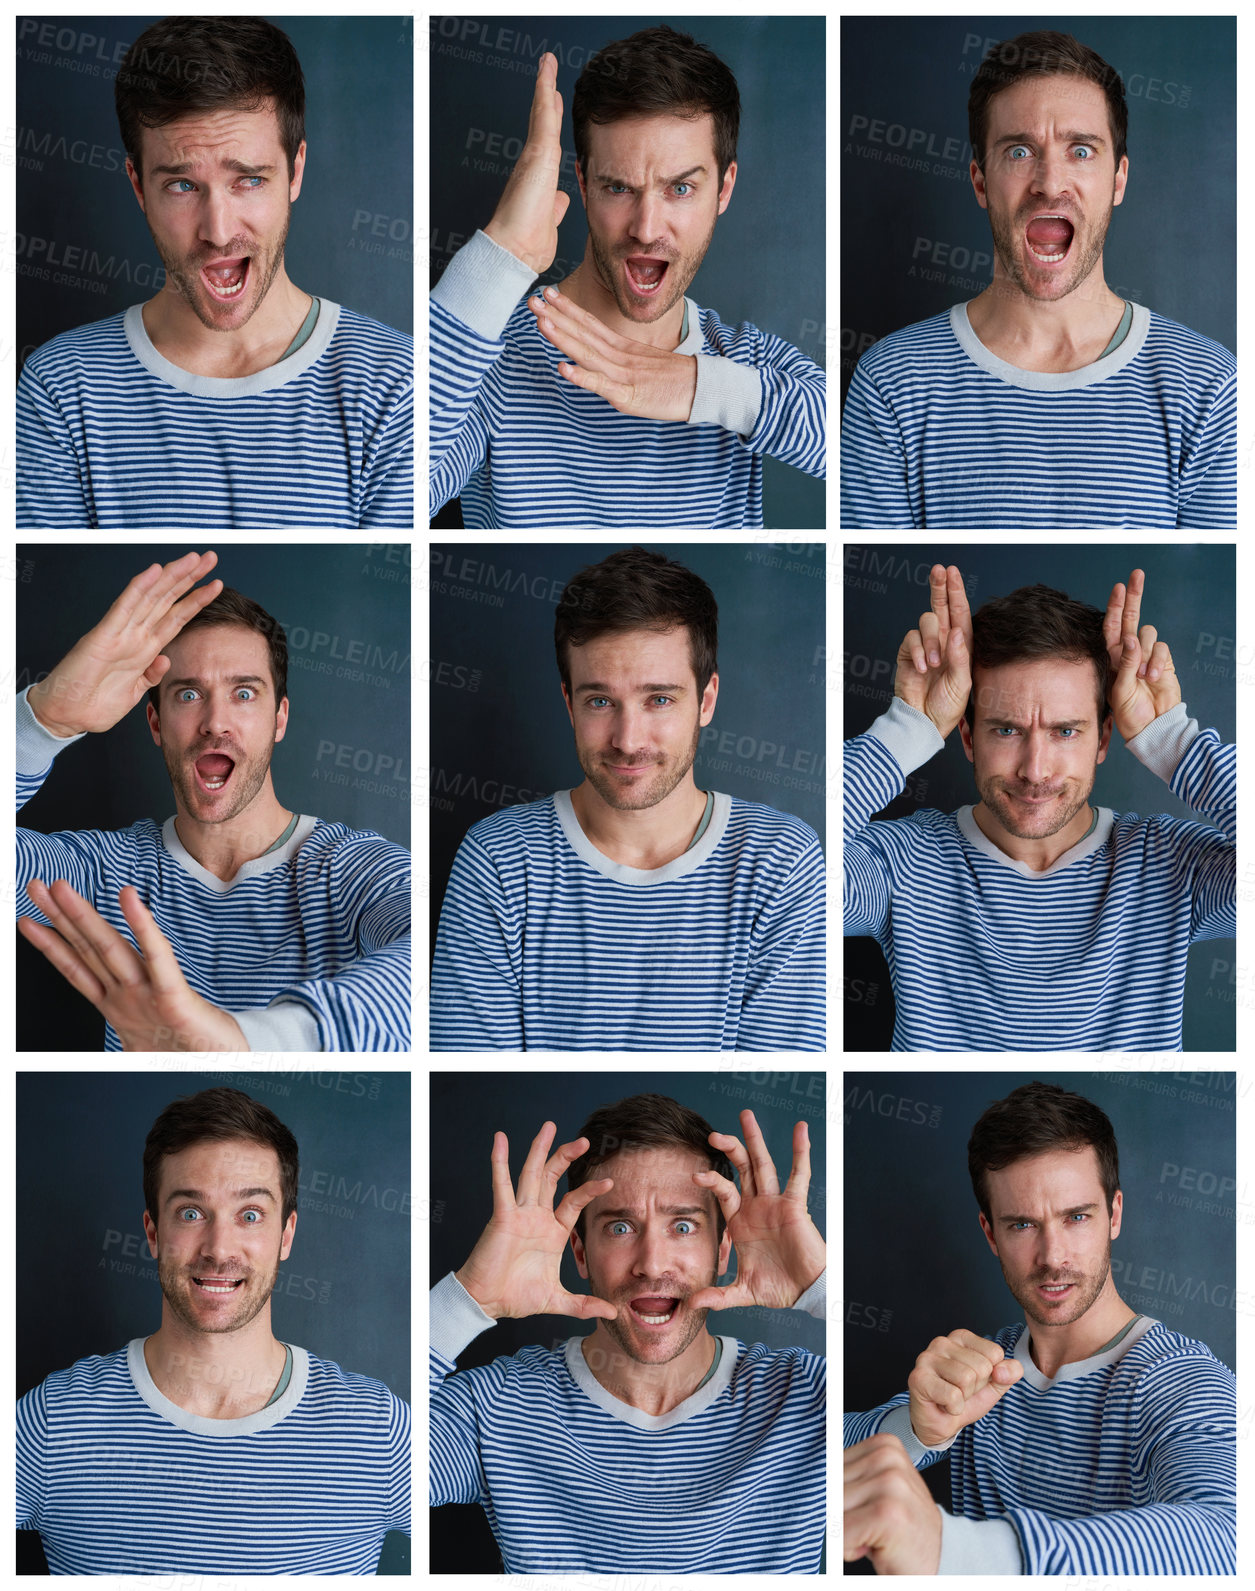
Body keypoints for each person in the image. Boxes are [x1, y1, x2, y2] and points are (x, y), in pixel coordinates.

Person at [16, 15, 412, 529]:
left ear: (295, 171)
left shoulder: (395, 382)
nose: (219, 232)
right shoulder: (60, 387)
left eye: (248, 179)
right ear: (138, 187)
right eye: (182, 185)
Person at [431, 26, 825, 528]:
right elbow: (392, 494)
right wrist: (502, 251)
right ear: (583, 184)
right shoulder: (489, 359)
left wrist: (697, 387)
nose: (645, 228)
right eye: (618, 187)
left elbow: (863, 444)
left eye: (680, 188)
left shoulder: (744, 362)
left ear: (723, 189)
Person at [430, 547, 824, 1050]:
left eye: (659, 699)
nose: (627, 739)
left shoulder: (781, 859)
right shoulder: (498, 857)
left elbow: (773, 1072)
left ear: (706, 700)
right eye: (600, 701)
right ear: (569, 705)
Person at [16, 550, 410, 1051]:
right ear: (156, 724)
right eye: (187, 694)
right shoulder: (104, 871)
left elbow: (432, 961)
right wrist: (46, 720)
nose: (216, 722)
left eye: (244, 694)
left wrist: (236, 1041)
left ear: (279, 718)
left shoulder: (355, 868)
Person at [841, 30, 1235, 528]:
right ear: (981, 181)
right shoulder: (892, 381)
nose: (1050, 183)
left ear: (1119, 180)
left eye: (1082, 151)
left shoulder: (1208, 386)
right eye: (1019, 152)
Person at [843, 1082, 1235, 1573]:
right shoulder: (982, 1369)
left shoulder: (1181, 1379)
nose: (1053, 1257)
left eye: (1076, 1217)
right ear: (990, 1233)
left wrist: (947, 1549)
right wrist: (920, 1432)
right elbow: (806, 1450)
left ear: (1113, 1214)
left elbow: (1228, 1537)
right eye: (1022, 1225)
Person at [16, 1086, 410, 1573]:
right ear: (153, 1233)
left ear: (285, 1235)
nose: (219, 1248)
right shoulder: (56, 1420)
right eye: (191, 1212)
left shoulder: (375, 1428)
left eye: (250, 1215)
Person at [844, 564, 1234, 1050]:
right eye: (1006, 730)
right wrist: (907, 729)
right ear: (966, 737)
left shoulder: (1175, 864)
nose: (1034, 769)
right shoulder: (898, 862)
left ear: (1103, 739)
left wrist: (1173, 741)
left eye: (1065, 731)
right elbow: (783, 875)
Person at [431, 1095, 825, 1571]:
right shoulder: (497, 1405)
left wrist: (819, 1287)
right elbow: (370, 1468)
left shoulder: (803, 1394)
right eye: (620, 1227)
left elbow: (912, 1439)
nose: (651, 1263)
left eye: (682, 1226)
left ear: (724, 1250)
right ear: (579, 1252)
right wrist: (470, 1299)